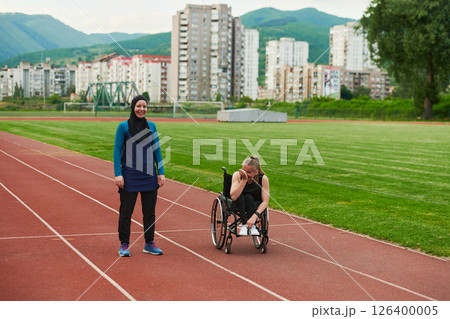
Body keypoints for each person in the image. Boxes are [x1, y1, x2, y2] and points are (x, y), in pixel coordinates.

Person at [113, 95, 165, 257]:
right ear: (132, 107)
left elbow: (157, 150)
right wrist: (118, 174)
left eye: (144, 106)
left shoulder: (152, 126)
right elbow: (116, 151)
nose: (141, 109)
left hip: (149, 175)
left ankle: (149, 243)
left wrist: (161, 172)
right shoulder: (123, 127)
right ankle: (124, 244)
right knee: (126, 212)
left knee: (149, 212)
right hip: (129, 175)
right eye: (138, 106)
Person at [230, 156, 269, 236]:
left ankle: (252, 226)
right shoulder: (237, 175)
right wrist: (244, 180)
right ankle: (244, 225)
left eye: (249, 172)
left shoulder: (263, 179)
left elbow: (265, 202)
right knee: (242, 197)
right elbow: (234, 197)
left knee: (249, 197)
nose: (245, 173)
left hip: (254, 203)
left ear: (256, 172)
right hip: (238, 202)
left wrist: (254, 217)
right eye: (244, 170)